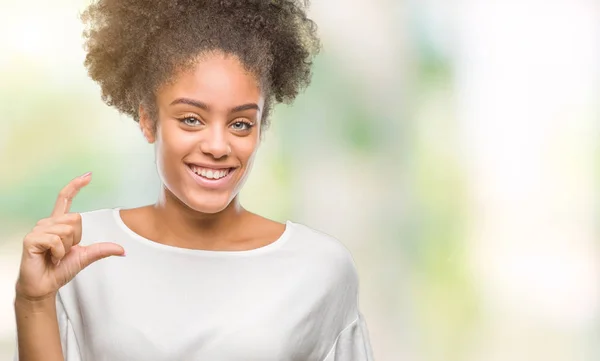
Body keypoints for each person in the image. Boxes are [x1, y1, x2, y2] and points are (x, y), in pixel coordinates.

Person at [13, 1, 374, 360]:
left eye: (240, 123)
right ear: (147, 120)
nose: (217, 146)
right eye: (191, 119)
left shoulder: (319, 266)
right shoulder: (81, 251)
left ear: (261, 129)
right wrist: (33, 300)